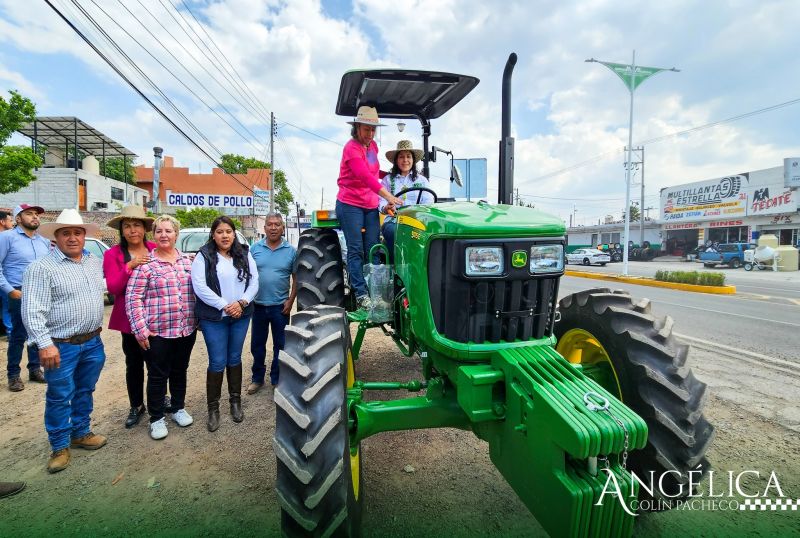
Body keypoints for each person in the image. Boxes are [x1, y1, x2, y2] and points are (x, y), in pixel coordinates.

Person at [21, 209, 107, 474]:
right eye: (66, 233)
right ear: (55, 237)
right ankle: (59, 445)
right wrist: (44, 344)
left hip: (93, 341)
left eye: (77, 233)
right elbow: (32, 310)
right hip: (60, 345)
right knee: (59, 397)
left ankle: (80, 431)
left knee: (85, 390)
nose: (72, 238)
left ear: (84, 236)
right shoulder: (41, 268)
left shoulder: (93, 261)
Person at [126, 215, 197, 441]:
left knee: (180, 370)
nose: (164, 235)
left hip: (185, 329)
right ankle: (156, 418)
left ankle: (177, 408)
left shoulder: (189, 262)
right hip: (158, 333)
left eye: (168, 231)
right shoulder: (146, 264)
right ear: (153, 236)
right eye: (159, 231)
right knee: (157, 375)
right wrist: (141, 329)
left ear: (176, 234)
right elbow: (133, 298)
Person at [192, 216, 258, 431]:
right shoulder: (203, 256)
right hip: (215, 318)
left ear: (233, 233)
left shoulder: (245, 253)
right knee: (217, 362)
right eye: (220, 232)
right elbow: (200, 286)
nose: (225, 235)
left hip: (241, 315)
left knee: (234, 358)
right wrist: (224, 305)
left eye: (228, 231)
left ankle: (235, 402)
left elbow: (255, 281)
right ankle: (213, 409)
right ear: (213, 234)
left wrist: (242, 302)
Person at [336, 105, 402, 309]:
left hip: (370, 205)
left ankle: (376, 293)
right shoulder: (351, 148)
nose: (370, 134)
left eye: (373, 129)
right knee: (356, 249)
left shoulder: (372, 147)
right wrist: (387, 194)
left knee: (373, 248)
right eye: (366, 129)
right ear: (357, 127)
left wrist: (392, 174)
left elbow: (374, 173)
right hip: (350, 204)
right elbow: (364, 175)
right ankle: (361, 294)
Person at [103, 206, 156, 428]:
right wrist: (130, 265)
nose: (132, 230)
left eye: (137, 225)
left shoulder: (155, 248)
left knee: (157, 364)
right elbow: (114, 287)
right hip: (128, 321)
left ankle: (158, 399)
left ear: (144, 229)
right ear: (121, 231)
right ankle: (136, 405)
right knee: (133, 364)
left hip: (155, 317)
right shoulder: (112, 254)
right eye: (127, 226)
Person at [0, 204, 50, 392]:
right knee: (19, 335)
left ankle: (35, 369)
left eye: (37, 214)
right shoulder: (6, 238)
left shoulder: (43, 241)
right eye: (29, 214)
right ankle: (13, 375)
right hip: (18, 291)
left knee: (37, 332)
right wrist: (9, 290)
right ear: (18, 218)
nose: (35, 217)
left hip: (41, 292)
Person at [248, 213, 296, 394]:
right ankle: (257, 378)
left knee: (281, 345)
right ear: (265, 228)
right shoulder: (254, 249)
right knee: (257, 345)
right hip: (258, 306)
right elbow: (247, 276)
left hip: (280, 307)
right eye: (270, 224)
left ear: (283, 228)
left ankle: (277, 378)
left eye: (277, 224)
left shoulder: (291, 251)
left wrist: (291, 301)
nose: (273, 228)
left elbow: (296, 278)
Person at [379, 140, 435, 262]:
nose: (405, 160)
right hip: (394, 219)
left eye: (408, 156)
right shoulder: (388, 180)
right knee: (393, 231)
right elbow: (381, 201)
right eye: (401, 157)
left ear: (413, 160)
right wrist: (386, 207)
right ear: (396, 160)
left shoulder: (423, 180)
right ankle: (396, 266)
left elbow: (429, 203)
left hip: (417, 221)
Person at [0, 210, 14, 337]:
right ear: (2, 221)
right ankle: (11, 332)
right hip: (5, 280)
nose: (12, 223)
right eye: (10, 220)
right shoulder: (4, 238)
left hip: (7, 279)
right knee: (8, 307)